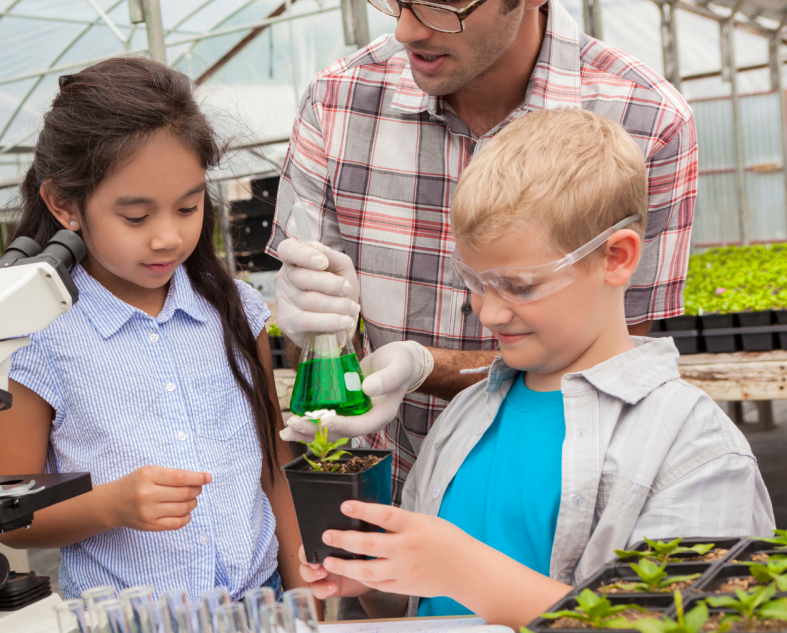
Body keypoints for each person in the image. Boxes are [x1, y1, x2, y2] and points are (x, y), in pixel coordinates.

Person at [295, 109, 773, 628]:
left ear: (616, 257)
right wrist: (374, 579)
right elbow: (423, 607)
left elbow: (693, 621)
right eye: (475, 282)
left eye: (519, 286)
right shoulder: (466, 417)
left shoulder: (693, 450)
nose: (489, 312)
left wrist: (466, 572)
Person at [270, 0, 698, 499]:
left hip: (558, 497)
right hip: (387, 491)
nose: (406, 28)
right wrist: (316, 333)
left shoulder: (645, 121)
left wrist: (426, 368)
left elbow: (613, 365)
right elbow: (319, 338)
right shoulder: (337, 104)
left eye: (443, 0)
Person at [0, 57, 306, 600]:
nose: (166, 237)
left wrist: (308, 600)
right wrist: (111, 505)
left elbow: (275, 468)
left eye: (187, 207)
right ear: (64, 205)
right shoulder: (38, 338)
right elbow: (12, 518)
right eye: (136, 217)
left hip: (262, 603)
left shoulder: (235, 308)